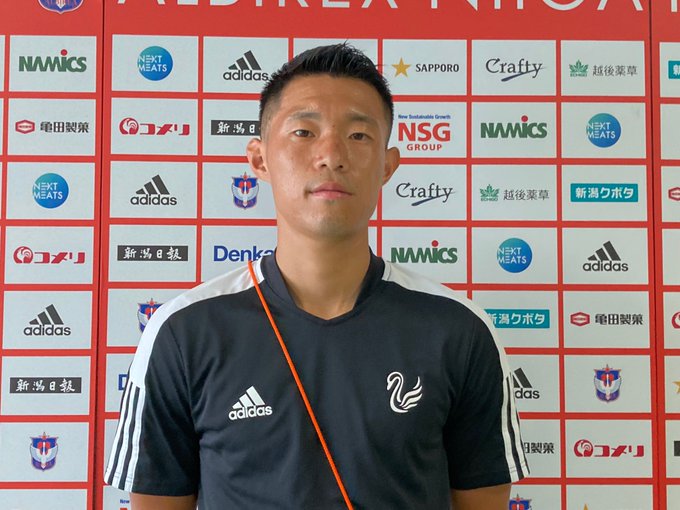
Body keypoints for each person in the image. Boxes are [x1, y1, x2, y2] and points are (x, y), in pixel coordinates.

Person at [105, 43, 528, 510]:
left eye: (359, 135)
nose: (331, 155)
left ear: (388, 166)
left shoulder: (458, 329)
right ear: (259, 160)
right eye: (304, 132)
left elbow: (483, 499)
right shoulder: (184, 331)